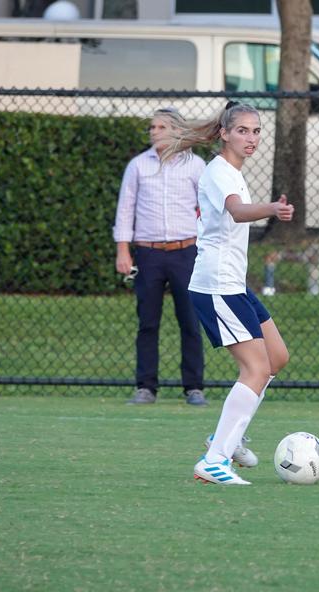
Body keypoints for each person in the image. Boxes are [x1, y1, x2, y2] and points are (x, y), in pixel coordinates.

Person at [182, 102, 294, 485]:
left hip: (233, 284)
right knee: (256, 369)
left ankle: (227, 439)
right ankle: (215, 460)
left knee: (276, 358)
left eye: (256, 131)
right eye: (243, 130)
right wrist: (272, 208)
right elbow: (237, 211)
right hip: (216, 286)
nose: (251, 138)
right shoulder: (218, 172)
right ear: (225, 134)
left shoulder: (232, 172)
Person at [113, 108, 208, 407]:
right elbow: (125, 209)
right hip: (148, 253)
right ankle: (146, 387)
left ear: (177, 130)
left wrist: (206, 246)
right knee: (147, 322)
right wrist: (123, 250)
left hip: (186, 252)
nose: (154, 131)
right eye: (152, 127)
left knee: (190, 321)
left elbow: (208, 208)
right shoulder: (138, 166)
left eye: (161, 127)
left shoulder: (195, 165)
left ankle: (194, 388)